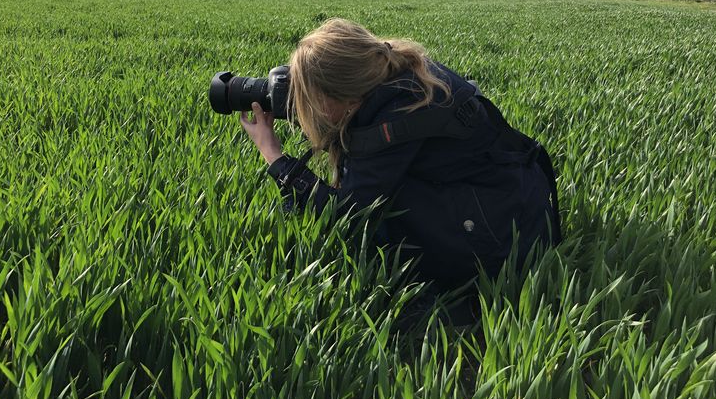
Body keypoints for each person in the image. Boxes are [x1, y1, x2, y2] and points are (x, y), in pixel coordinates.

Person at [239, 18, 559, 324]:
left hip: (503, 242)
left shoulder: (396, 120)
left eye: (311, 97)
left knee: (380, 216)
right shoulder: (396, 76)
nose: (305, 107)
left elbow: (348, 216)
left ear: (345, 95)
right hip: (517, 205)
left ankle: (428, 301)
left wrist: (275, 156)